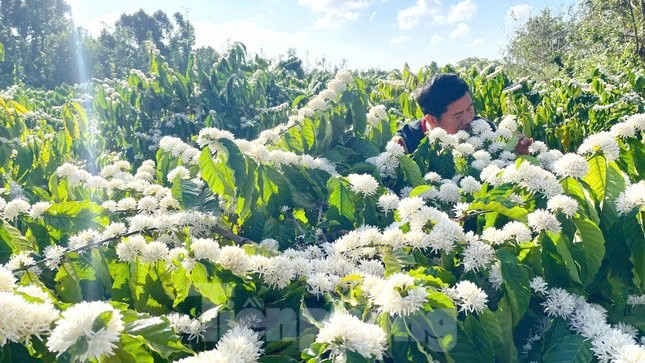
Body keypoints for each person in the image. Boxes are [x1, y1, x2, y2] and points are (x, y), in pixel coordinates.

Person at [392, 73, 533, 154]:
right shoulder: (407, 141)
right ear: (432, 120)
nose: (468, 119)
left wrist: (517, 149)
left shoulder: (484, 127)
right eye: (458, 115)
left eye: (470, 109)